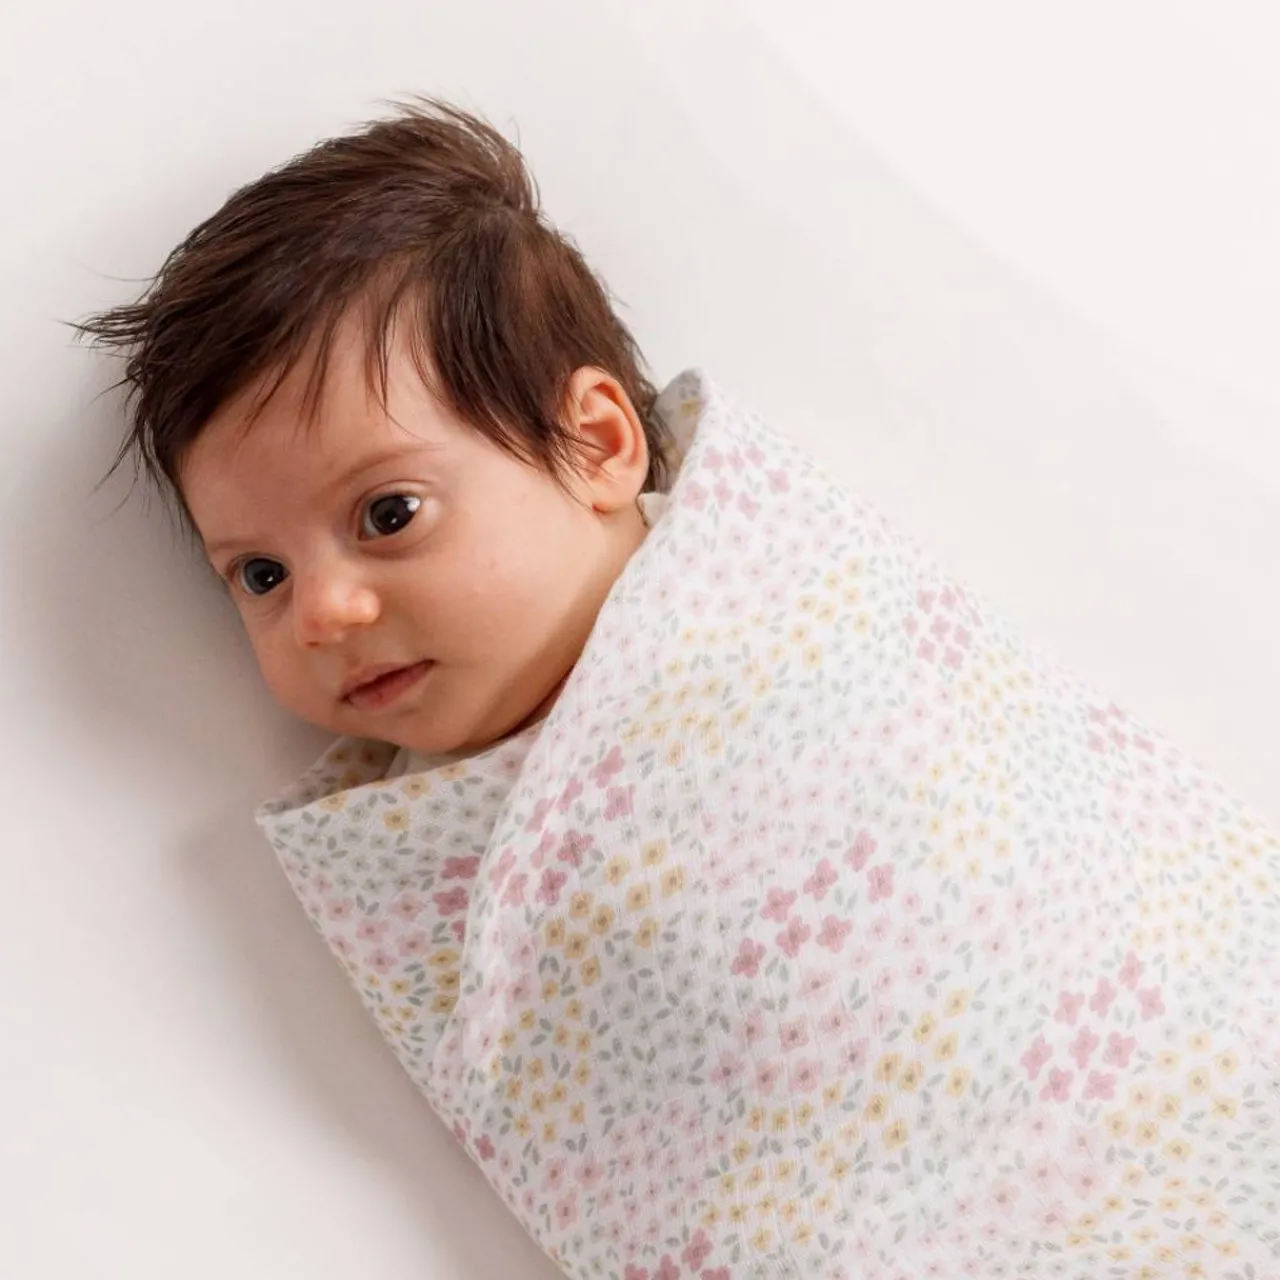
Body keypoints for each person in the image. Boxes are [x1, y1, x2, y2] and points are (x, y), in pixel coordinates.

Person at [79, 99, 672, 771]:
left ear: (593, 445)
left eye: (391, 514)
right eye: (264, 575)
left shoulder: (745, 664)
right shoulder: (403, 810)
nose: (320, 614)